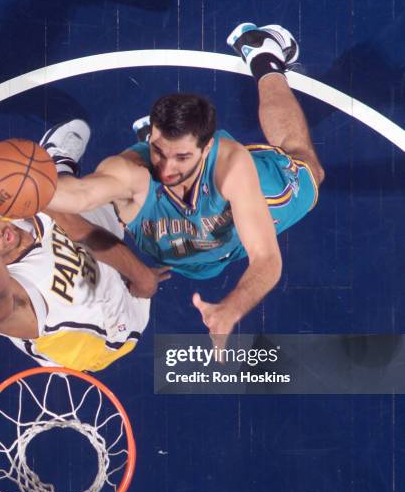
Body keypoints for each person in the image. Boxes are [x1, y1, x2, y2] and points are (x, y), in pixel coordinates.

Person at [46, 23, 325, 342]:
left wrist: (231, 308)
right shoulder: (131, 172)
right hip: (187, 249)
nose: (165, 170)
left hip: (231, 219)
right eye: (158, 151)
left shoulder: (231, 164)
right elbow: (78, 197)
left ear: (206, 148)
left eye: (181, 157)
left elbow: (266, 259)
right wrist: (21, 192)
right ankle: (61, 162)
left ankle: (263, 54)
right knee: (103, 195)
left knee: (308, 166)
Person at [0, 123, 170, 371]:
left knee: (112, 186)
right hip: (106, 339)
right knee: (77, 198)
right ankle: (54, 172)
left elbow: (84, 233)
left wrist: (141, 276)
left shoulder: (10, 208)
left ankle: (55, 170)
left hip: (87, 247)